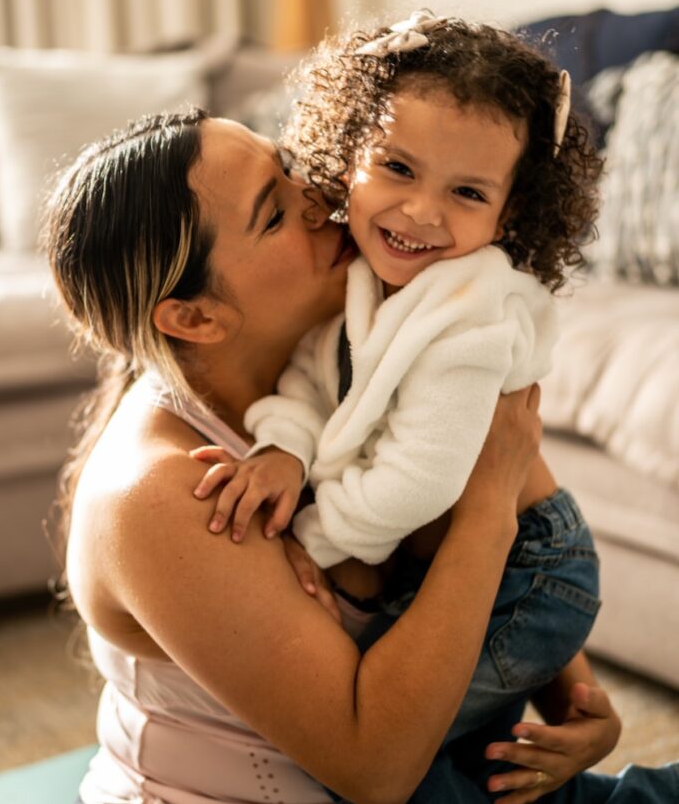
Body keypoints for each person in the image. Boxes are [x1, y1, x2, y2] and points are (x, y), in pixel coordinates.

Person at [43, 107, 677, 804]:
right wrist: (488, 503)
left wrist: (578, 703)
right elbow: (376, 768)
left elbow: (527, 530)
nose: (321, 195)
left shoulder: (367, 333)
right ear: (194, 316)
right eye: (275, 213)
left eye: (289, 166)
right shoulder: (162, 493)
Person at [187, 12, 602, 753]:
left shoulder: (471, 318)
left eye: (469, 194)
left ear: (512, 212)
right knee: (446, 749)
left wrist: (308, 543)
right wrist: (284, 448)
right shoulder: (361, 279)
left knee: (395, 751)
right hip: (442, 560)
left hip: (531, 572)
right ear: (348, 153)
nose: (421, 212)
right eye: (399, 168)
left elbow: (420, 479)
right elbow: (316, 382)